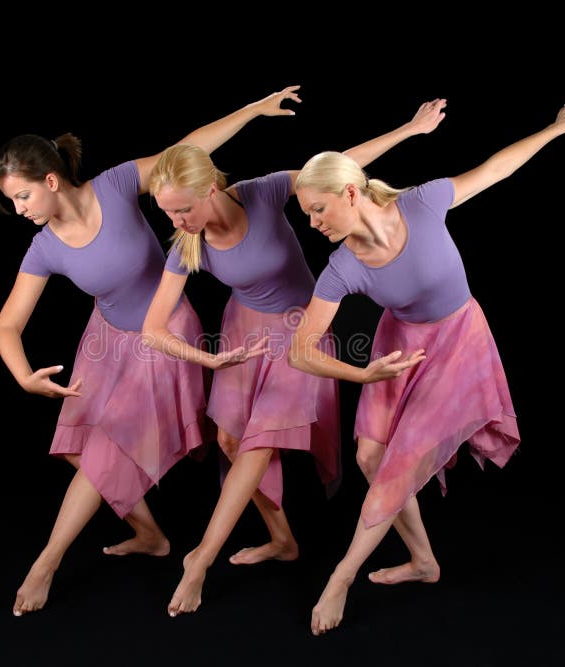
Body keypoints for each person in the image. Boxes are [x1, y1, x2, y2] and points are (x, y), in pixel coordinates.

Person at [0, 85, 304, 617]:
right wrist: (23, 376)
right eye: (12, 202)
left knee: (120, 449)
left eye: (22, 197)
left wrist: (251, 111)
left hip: (163, 335)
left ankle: (46, 562)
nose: (19, 210)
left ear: (49, 180)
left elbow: (190, 147)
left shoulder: (114, 186)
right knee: (74, 447)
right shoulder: (43, 246)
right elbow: (7, 325)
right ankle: (152, 536)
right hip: (105, 341)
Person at [289, 92, 565, 635]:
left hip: (456, 344)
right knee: (371, 457)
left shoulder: (422, 204)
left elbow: (495, 168)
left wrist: (557, 129)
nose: (311, 223)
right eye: (306, 213)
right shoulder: (340, 268)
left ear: (350, 192)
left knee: (399, 466)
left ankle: (340, 578)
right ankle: (424, 561)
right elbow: (300, 348)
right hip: (397, 347)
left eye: (317, 210)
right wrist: (362, 374)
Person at [141, 98, 447, 617]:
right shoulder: (186, 244)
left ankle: (199, 560)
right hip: (244, 335)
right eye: (166, 211)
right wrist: (210, 361)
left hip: (300, 331)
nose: (175, 219)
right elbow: (152, 328)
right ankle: (283, 541)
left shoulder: (261, 193)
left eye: (182, 208)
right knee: (233, 440)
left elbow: (338, 166)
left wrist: (411, 129)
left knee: (259, 443)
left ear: (210, 188)